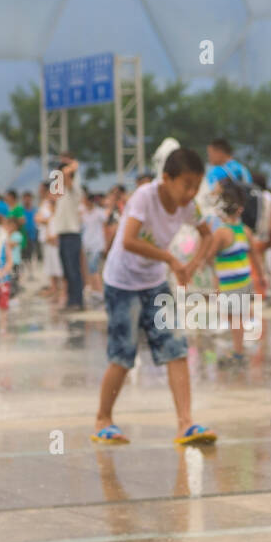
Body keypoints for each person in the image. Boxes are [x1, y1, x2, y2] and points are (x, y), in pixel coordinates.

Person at [92, 147, 218, 447]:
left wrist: (193, 264)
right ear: (166, 178)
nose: (191, 192)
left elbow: (208, 235)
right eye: (186, 185)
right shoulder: (144, 197)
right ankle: (103, 419)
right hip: (122, 282)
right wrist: (172, 259)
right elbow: (128, 240)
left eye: (196, 186)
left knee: (175, 346)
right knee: (123, 354)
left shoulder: (188, 207)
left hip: (154, 282)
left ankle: (186, 423)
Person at [207, 180, 266, 366]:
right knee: (238, 317)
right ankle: (238, 348)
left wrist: (213, 276)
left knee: (234, 319)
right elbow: (255, 256)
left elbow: (209, 256)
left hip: (229, 284)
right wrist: (262, 277)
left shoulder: (221, 233)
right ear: (240, 209)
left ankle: (238, 352)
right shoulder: (245, 231)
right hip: (245, 280)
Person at [54, 154, 85, 310]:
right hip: (63, 234)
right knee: (67, 270)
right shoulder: (60, 193)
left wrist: (70, 165)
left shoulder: (75, 190)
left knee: (74, 270)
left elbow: (67, 173)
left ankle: (77, 301)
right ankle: (71, 300)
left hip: (72, 235)